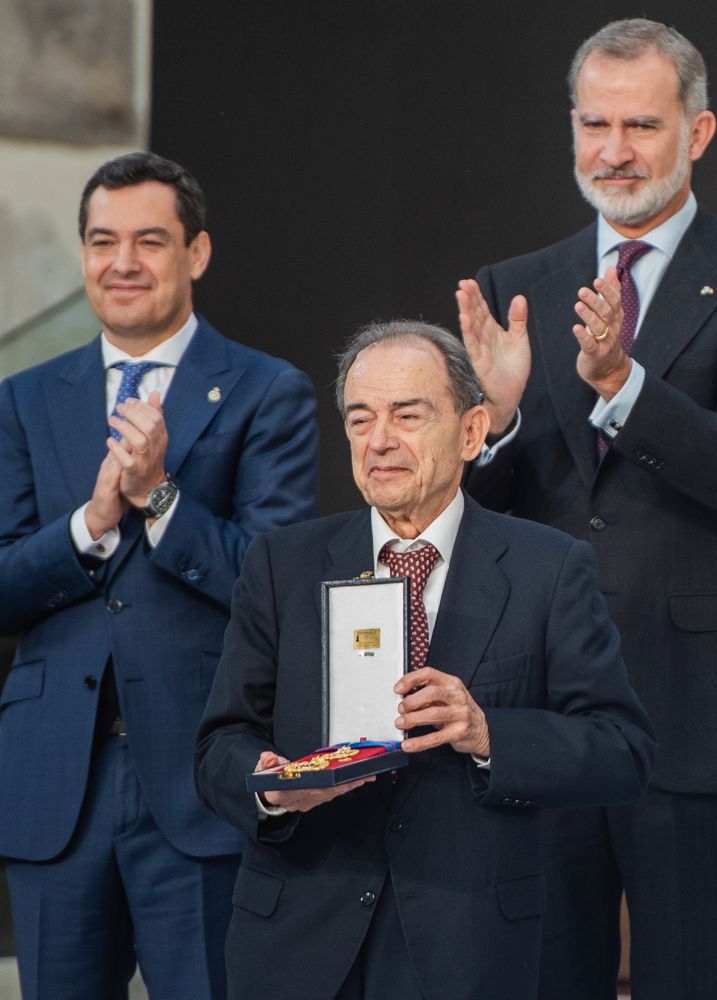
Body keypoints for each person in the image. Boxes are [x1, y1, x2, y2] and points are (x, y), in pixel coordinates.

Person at [454, 18, 717, 1000]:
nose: (614, 151)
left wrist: (623, 386)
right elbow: (475, 523)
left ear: (697, 134)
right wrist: (483, 431)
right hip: (538, 714)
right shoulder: (515, 289)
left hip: (697, 715)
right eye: (595, 123)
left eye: (642, 126)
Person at [194, 320, 655, 1000]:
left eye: (408, 416)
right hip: (295, 944)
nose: (380, 440)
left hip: (467, 950)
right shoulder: (282, 565)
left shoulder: (547, 570)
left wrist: (489, 733)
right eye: (360, 419)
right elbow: (218, 747)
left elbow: (623, 749)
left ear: (472, 432)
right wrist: (271, 788)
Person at [0, 151, 319, 999]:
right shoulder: (25, 398)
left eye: (149, 240)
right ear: (82, 256)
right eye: (103, 242)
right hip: (55, 789)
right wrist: (92, 524)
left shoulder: (266, 391)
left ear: (197, 254)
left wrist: (160, 497)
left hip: (198, 783)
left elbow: (272, 578)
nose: (124, 263)